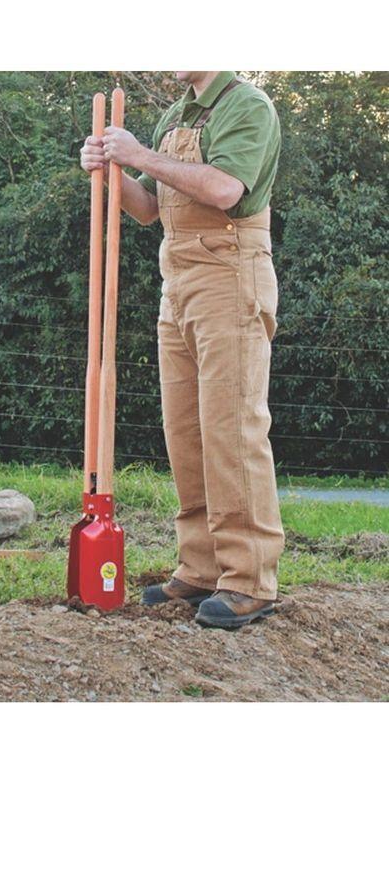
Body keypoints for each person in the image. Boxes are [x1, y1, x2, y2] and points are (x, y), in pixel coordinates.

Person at [80, 71, 283, 629]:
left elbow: (223, 189)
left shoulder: (247, 106)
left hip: (230, 273)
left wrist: (140, 150)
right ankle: (200, 567)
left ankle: (249, 580)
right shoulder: (177, 116)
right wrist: (110, 172)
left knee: (231, 428)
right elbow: (149, 209)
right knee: (187, 431)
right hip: (180, 279)